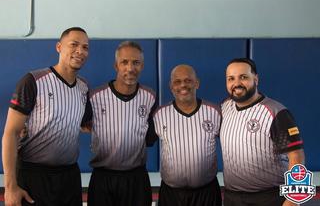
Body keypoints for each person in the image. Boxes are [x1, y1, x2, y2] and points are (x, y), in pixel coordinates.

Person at [2, 27, 91, 206]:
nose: (80, 51)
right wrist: (10, 187)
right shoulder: (32, 81)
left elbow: (84, 124)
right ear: (59, 47)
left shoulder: (84, 88)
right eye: (74, 44)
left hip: (69, 178)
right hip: (33, 176)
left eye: (85, 47)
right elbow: (10, 133)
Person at [220, 58, 305, 206]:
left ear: (256, 79)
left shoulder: (276, 111)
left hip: (270, 197)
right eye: (231, 79)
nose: (237, 83)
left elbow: (296, 155)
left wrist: (294, 199)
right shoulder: (224, 107)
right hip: (232, 198)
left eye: (243, 77)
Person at [87, 41, 157, 206]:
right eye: (124, 62)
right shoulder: (95, 97)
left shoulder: (150, 96)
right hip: (103, 178)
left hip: (136, 179)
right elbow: (81, 123)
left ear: (142, 66)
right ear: (116, 65)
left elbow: (150, 138)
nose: (130, 68)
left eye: (136, 63)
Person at [153, 64, 222, 206]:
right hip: (172, 194)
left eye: (188, 80)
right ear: (171, 86)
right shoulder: (159, 115)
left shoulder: (215, 112)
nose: (183, 85)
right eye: (177, 82)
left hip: (206, 192)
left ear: (197, 83)